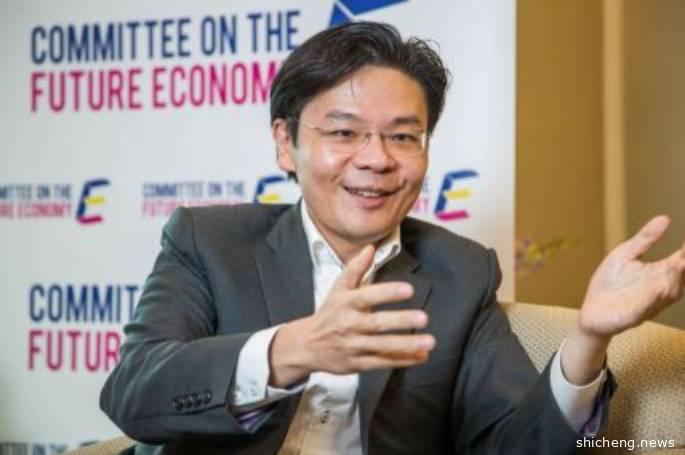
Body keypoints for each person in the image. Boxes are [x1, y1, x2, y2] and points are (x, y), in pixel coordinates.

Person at [100, 22, 685, 454]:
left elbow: (515, 445)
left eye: (404, 137)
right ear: (285, 143)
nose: (376, 159)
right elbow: (133, 394)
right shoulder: (209, 241)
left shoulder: (460, 272)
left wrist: (589, 337)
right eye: (343, 132)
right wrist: (295, 349)